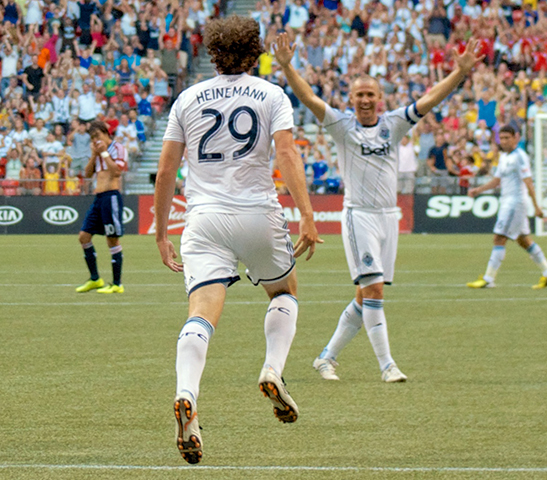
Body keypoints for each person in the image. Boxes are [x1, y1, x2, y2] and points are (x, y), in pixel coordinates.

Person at [153, 15, 321, 465]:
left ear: (212, 53)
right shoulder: (271, 94)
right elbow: (286, 152)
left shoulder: (187, 98)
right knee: (284, 291)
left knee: (202, 310)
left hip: (203, 218)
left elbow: (166, 170)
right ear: (255, 52)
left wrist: (159, 233)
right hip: (256, 213)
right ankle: (273, 369)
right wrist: (307, 214)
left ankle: (186, 392)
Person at [274, 32, 484, 382]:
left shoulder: (393, 124)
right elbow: (309, 97)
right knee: (374, 290)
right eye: (359, 95)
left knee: (364, 295)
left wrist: (459, 72)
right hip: (359, 217)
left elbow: (430, 98)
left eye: (371, 94)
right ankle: (388, 365)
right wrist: (286, 66)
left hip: (389, 218)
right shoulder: (342, 126)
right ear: (351, 99)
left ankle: (326, 357)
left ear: (380, 98)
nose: (365, 100)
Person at [467, 125, 547, 289]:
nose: (503, 141)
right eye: (501, 138)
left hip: (515, 202)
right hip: (507, 201)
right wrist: (478, 190)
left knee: (499, 238)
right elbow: (496, 181)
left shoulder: (520, 157)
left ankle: (489, 278)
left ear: (516, 137)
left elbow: (528, 182)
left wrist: (537, 206)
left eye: (507, 138)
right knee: (524, 240)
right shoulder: (503, 157)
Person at [75, 120, 128, 294]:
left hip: (111, 196)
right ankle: (95, 279)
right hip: (98, 198)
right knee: (84, 236)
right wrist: (94, 155)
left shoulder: (117, 149)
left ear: (106, 133)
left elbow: (117, 172)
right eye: (93, 138)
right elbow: (87, 174)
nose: (96, 140)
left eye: (98, 136)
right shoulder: (97, 152)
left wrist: (104, 153)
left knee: (112, 239)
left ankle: (117, 284)